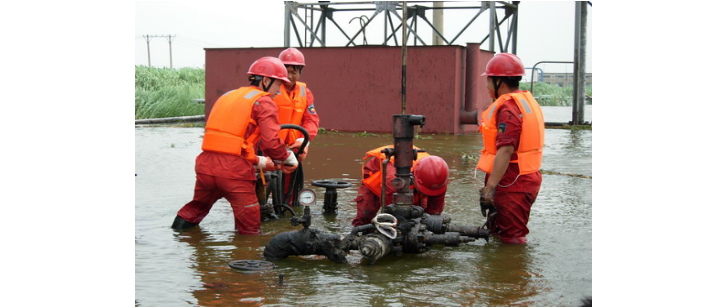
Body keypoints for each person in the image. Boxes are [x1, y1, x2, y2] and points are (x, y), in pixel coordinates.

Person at [172, 56, 299, 235]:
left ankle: (178, 242)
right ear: (266, 80)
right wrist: (288, 158)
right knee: (249, 224)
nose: (279, 91)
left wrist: (263, 162)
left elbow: (231, 144)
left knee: (195, 209)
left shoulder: (228, 96)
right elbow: (271, 144)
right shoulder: (263, 102)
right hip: (234, 173)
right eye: (279, 84)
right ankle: (246, 256)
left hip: (205, 167)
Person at [477, 53, 545, 244]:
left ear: (499, 81)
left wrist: (490, 187)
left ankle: (513, 271)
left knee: (512, 238)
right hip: (521, 177)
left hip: (513, 180)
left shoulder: (508, 108)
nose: (487, 87)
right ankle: (500, 272)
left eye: (489, 81)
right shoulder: (523, 101)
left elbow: (506, 149)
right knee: (499, 232)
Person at [352, 145, 449, 227]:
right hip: (378, 178)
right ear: (414, 179)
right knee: (365, 215)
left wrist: (432, 223)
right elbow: (390, 211)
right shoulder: (394, 180)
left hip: (415, 181)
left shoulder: (438, 177)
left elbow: (435, 210)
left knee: (421, 215)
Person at [273, 47, 320, 204]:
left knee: (290, 194)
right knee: (263, 185)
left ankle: (288, 212)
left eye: (294, 71)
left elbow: (311, 120)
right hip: (269, 148)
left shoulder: (305, 92)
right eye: (286, 71)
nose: (290, 76)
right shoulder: (270, 90)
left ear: (300, 72)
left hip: (292, 149)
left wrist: (302, 142)